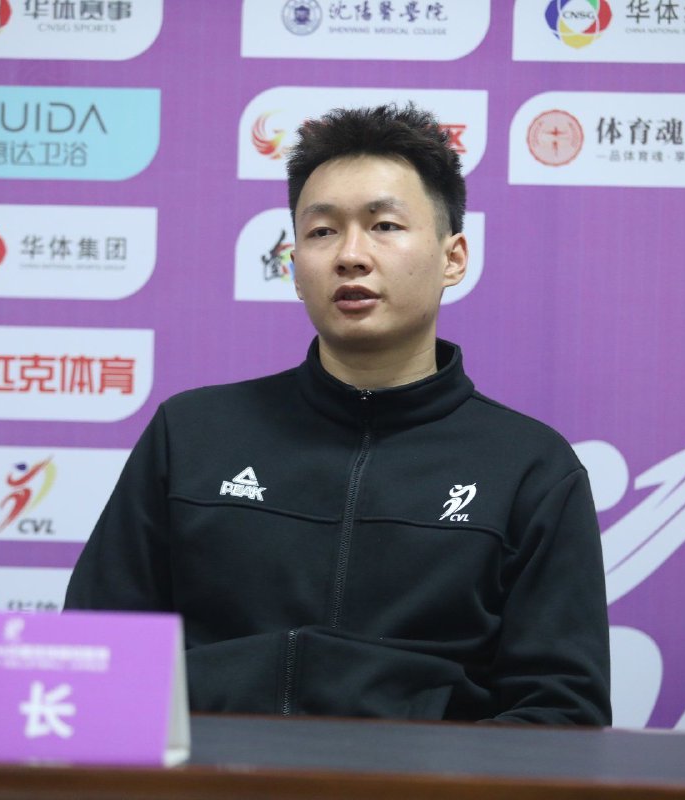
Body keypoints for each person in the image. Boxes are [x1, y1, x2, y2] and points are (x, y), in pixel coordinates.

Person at [65, 104, 611, 725]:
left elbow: (561, 712)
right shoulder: (190, 435)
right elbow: (94, 655)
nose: (351, 255)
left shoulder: (530, 468)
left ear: (453, 258)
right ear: (295, 266)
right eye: (322, 232)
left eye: (384, 225)